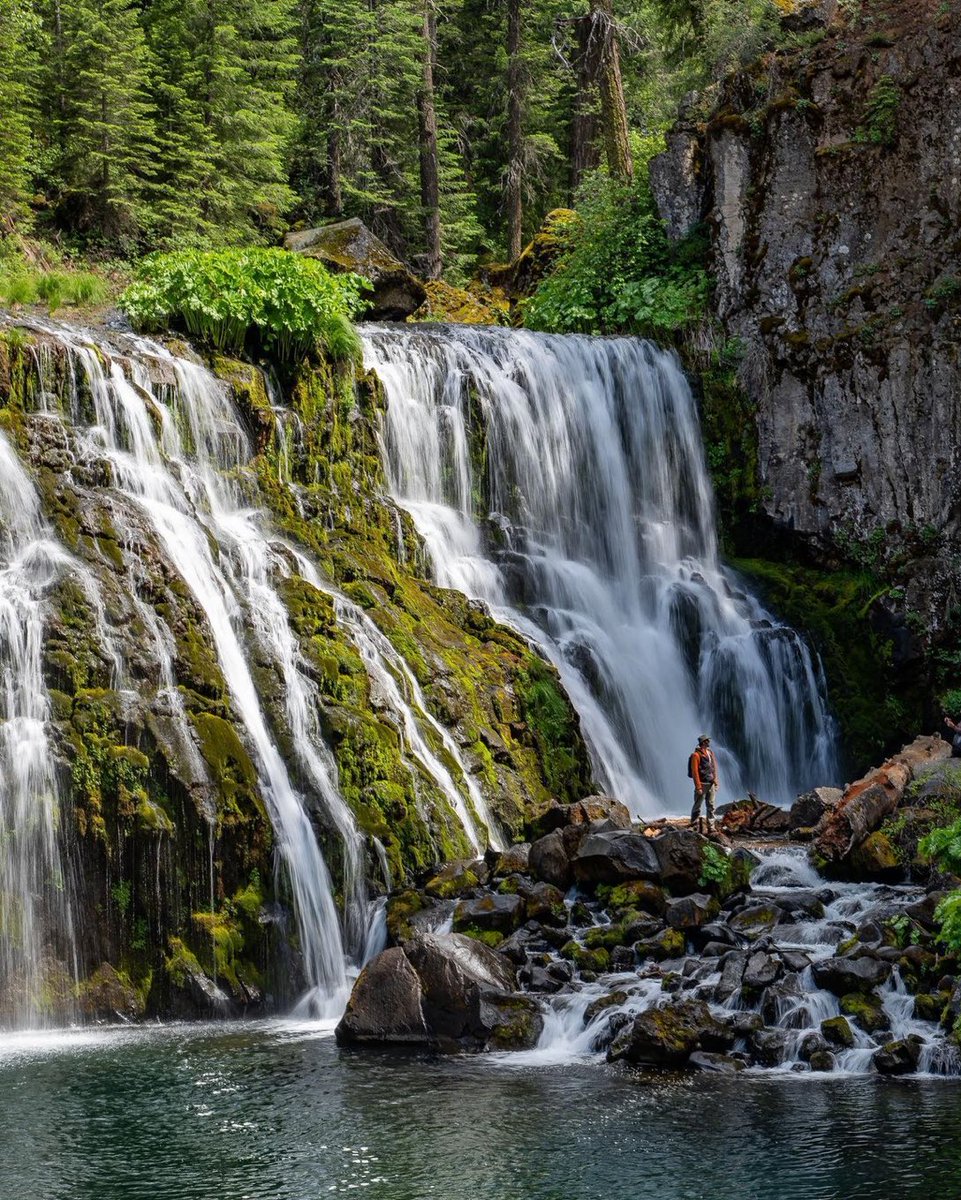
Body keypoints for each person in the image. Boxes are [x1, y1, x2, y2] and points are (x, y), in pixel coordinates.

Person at [689, 734, 719, 834]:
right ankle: (694, 824)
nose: (709, 742)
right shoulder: (696, 755)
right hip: (702, 783)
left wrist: (715, 780)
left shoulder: (710, 753)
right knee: (697, 805)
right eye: (707, 741)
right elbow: (694, 771)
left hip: (710, 783)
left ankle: (711, 826)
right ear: (703, 743)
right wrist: (698, 786)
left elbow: (713, 767)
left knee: (711, 805)